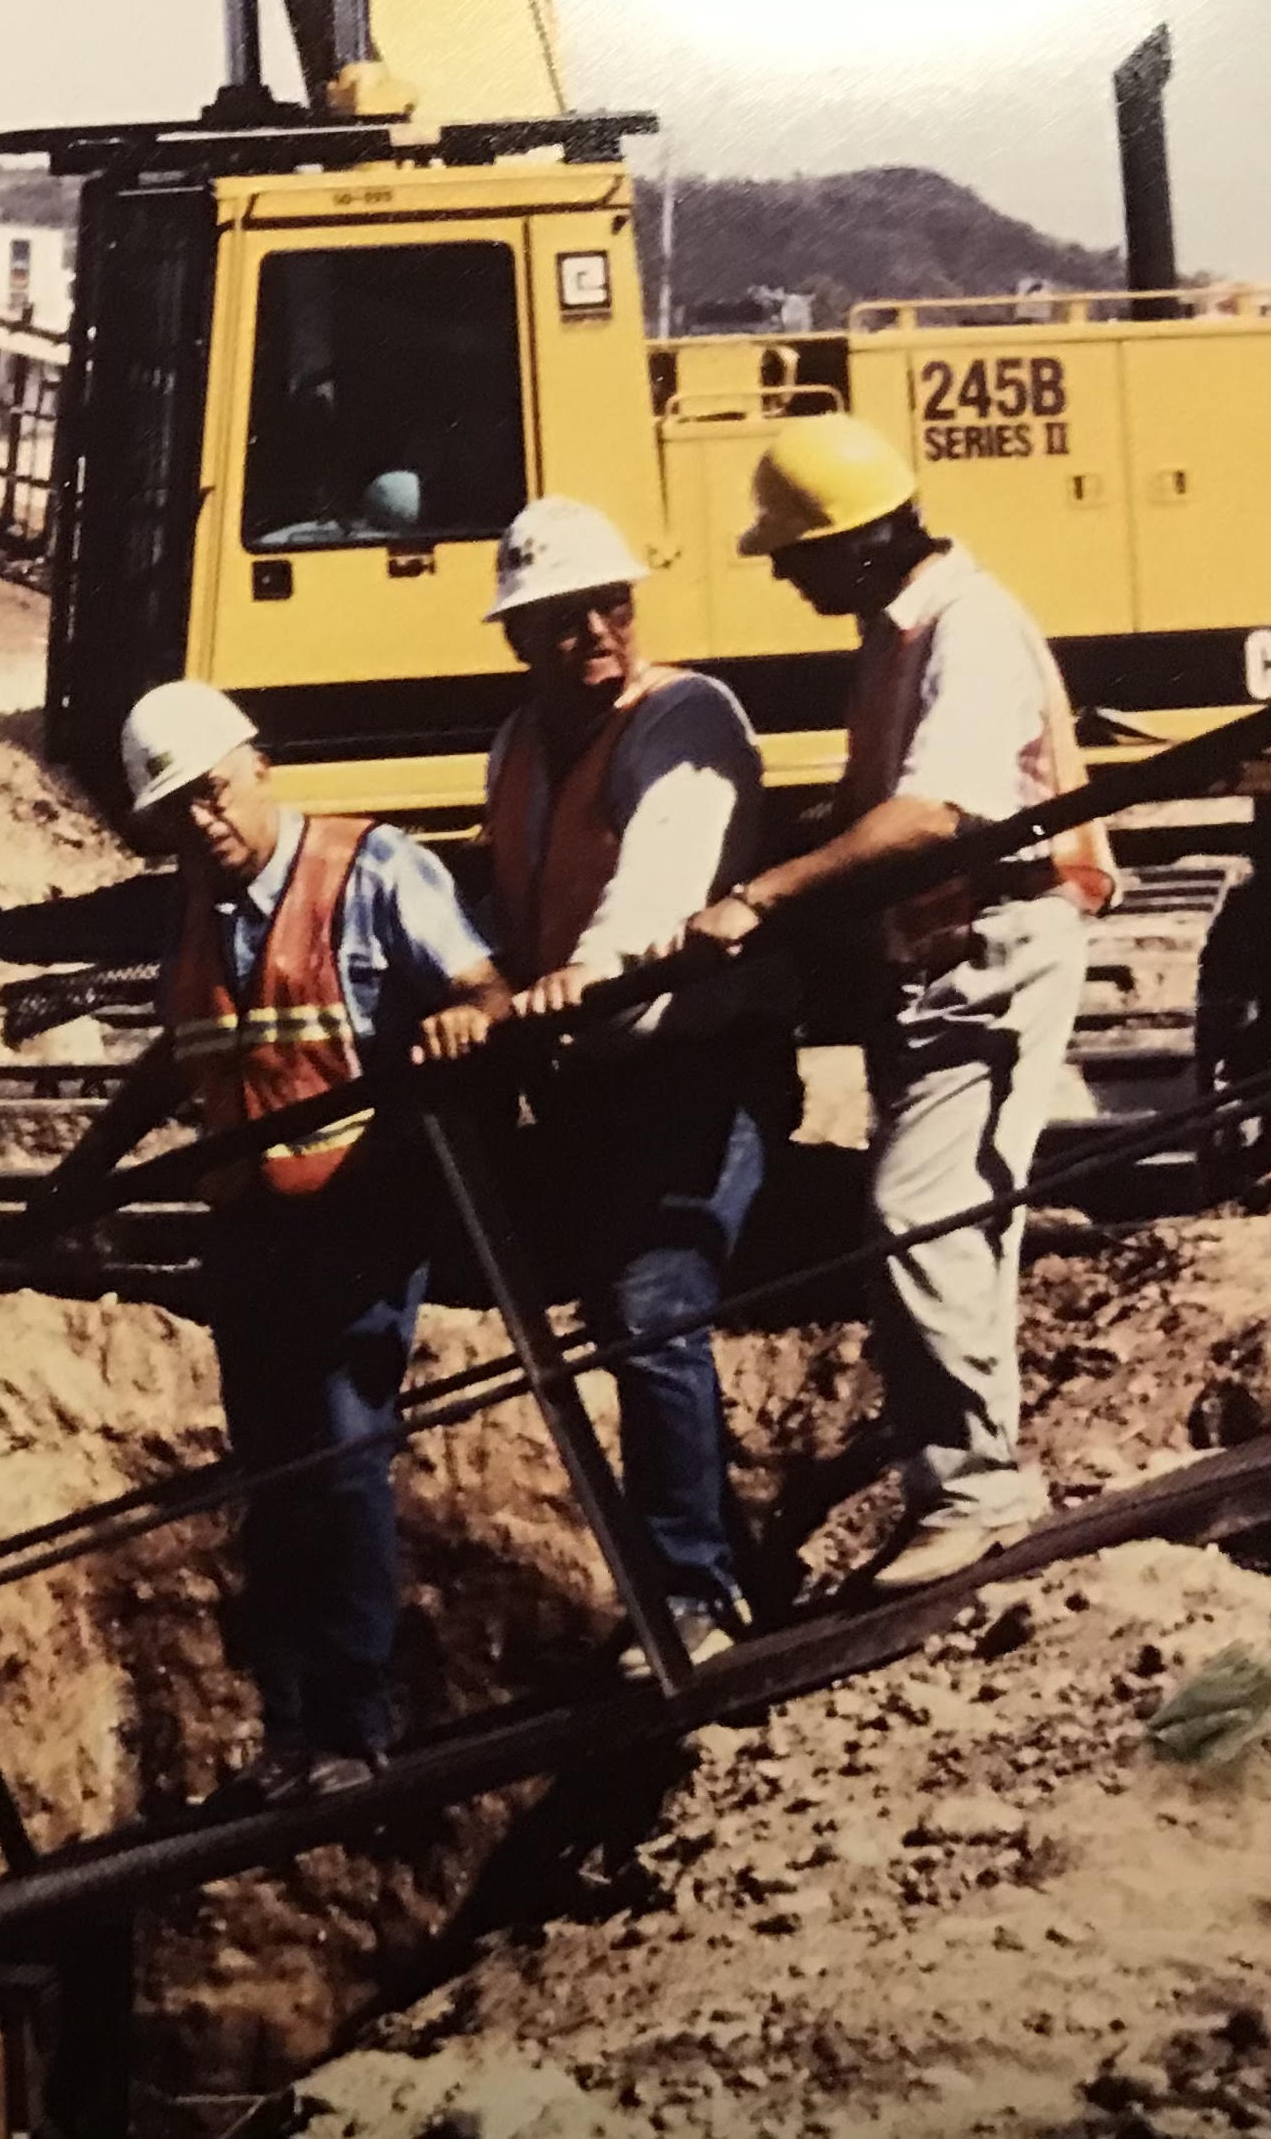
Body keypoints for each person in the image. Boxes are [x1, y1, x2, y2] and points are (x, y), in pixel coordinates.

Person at [665, 415, 1119, 1594]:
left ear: (859, 542)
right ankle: (958, 1466)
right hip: (937, 952)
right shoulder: (900, 630)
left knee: (923, 1210)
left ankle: (976, 1490)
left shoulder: (965, 632)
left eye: (794, 549)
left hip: (994, 942)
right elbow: (872, 811)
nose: (778, 569)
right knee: (940, 1214)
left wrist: (760, 899)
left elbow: (930, 814)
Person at [43, 682, 509, 1803]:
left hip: (357, 1212)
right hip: (248, 1222)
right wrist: (87, 1170)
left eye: (209, 791)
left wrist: (464, 1015)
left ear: (255, 763)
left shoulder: (375, 868)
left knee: (344, 1458)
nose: (201, 821)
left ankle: (355, 1725)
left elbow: (482, 985)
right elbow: (184, 1048)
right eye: (174, 811)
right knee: (275, 1478)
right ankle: (293, 1730)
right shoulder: (198, 905)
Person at [463, 495, 788, 1672]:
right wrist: (479, 979)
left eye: (612, 605)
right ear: (519, 635)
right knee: (611, 1313)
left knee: (653, 1310)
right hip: (594, 1076)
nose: (599, 630)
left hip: (692, 1061)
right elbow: (511, 897)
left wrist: (585, 975)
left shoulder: (685, 718)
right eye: (565, 617)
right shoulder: (516, 745)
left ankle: (695, 1597)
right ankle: (700, 1567)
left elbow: (660, 878)